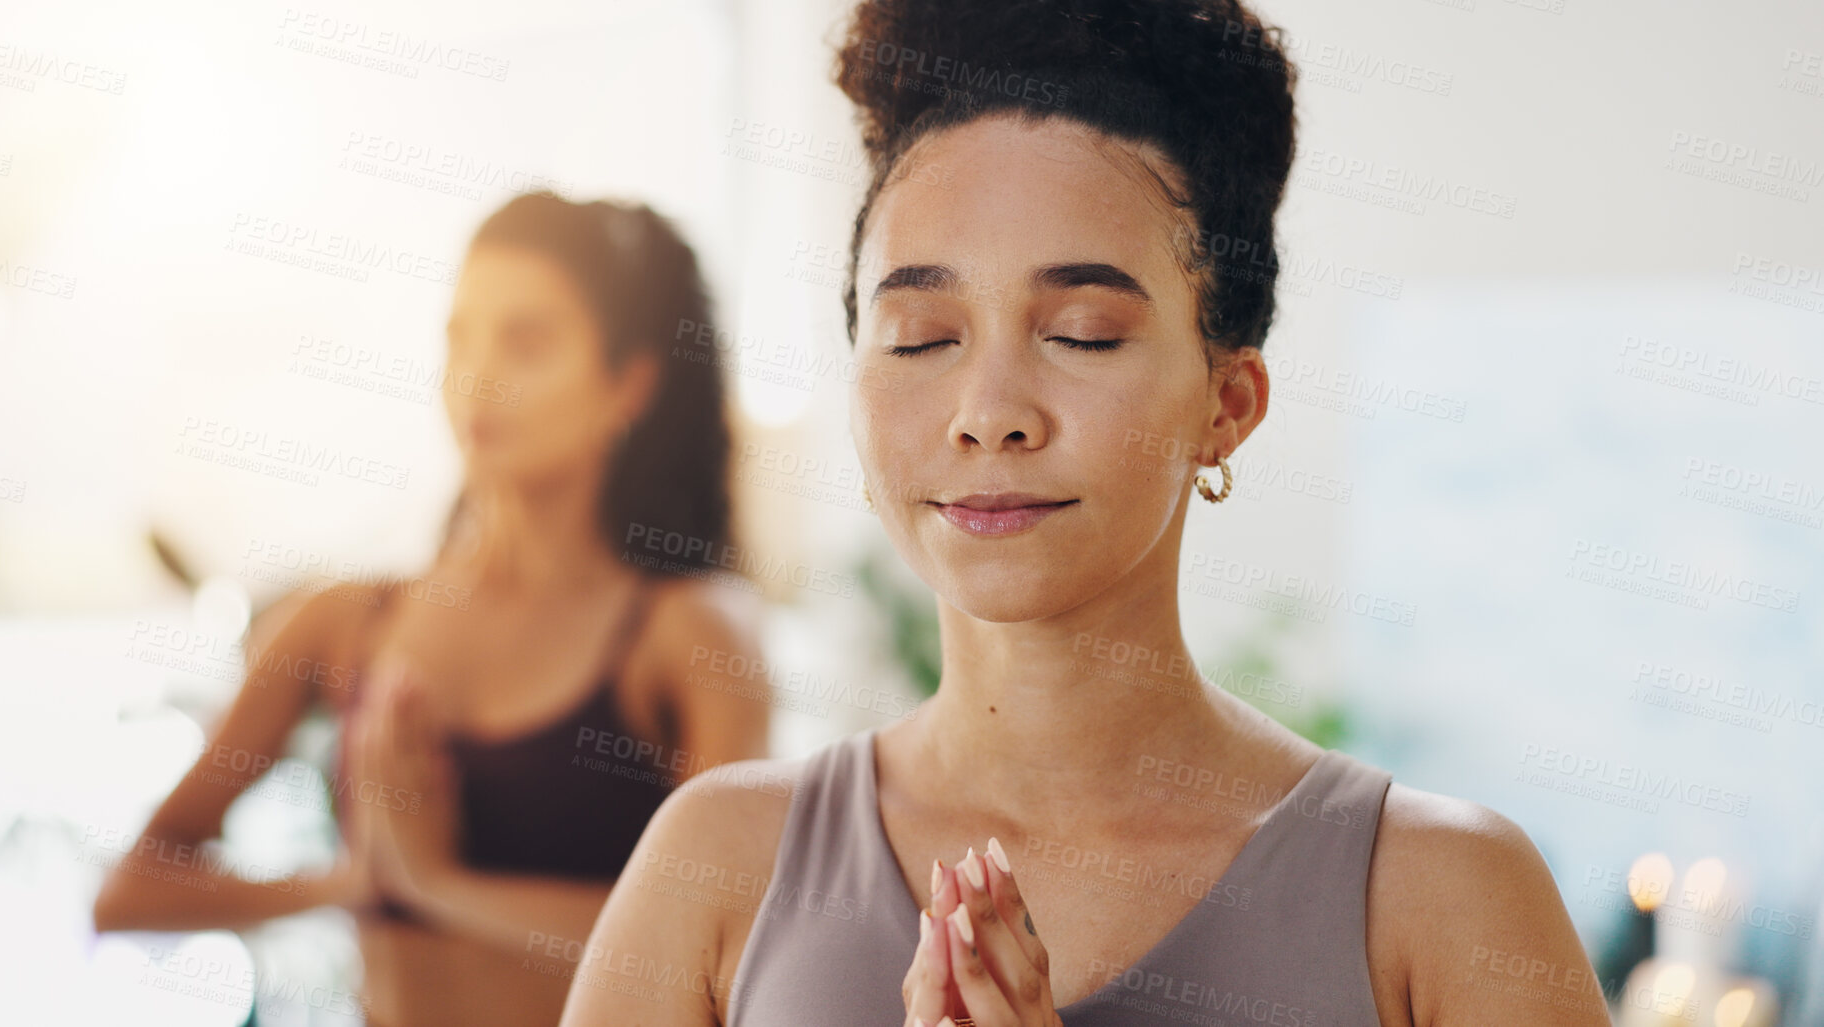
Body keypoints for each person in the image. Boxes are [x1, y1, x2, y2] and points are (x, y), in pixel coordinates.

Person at [558, 2, 1612, 1025]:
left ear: (1226, 403)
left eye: (1082, 333)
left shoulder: (1445, 899)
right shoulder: (715, 867)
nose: (987, 414)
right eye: (923, 335)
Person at [93, 191, 771, 1026]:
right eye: (459, 336)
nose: (477, 376)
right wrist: (350, 882)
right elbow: (128, 890)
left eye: (525, 342)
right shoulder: (344, 620)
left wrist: (438, 885)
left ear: (626, 384)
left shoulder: (688, 631)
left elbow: (731, 942)